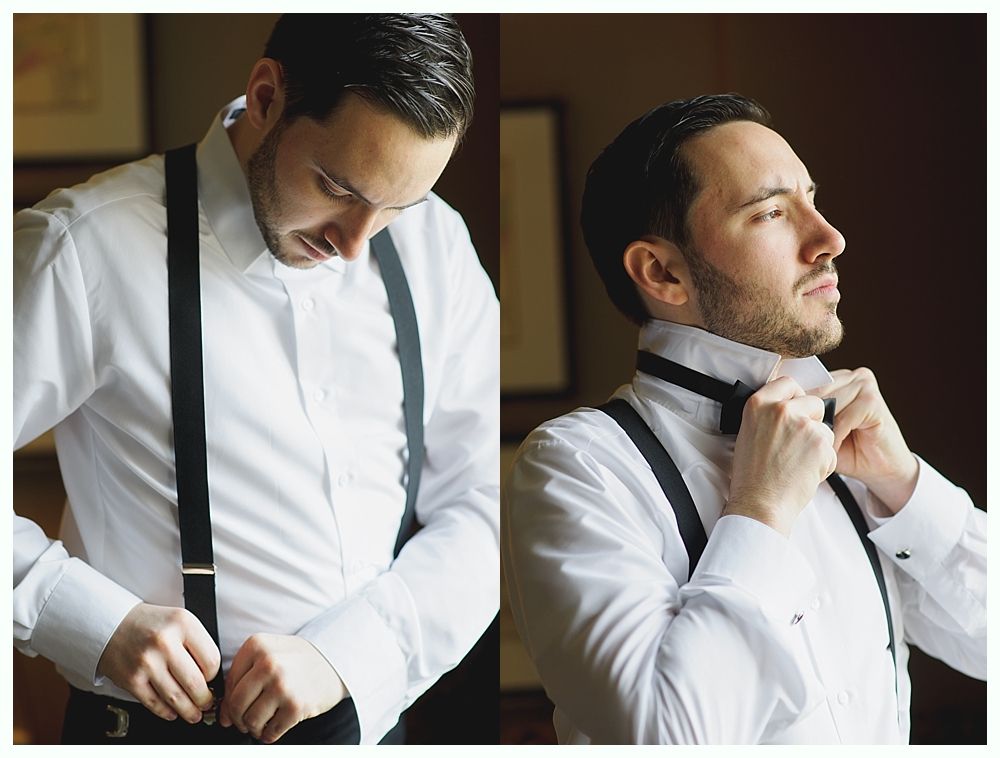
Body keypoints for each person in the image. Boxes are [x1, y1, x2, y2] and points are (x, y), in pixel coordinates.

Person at [14, 14, 499, 745]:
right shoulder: (83, 247)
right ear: (267, 95)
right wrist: (89, 619)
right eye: (337, 186)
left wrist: (350, 653)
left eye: (396, 207)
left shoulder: (439, 246)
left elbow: (482, 504)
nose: (354, 244)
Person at [501, 94, 985, 744]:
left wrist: (906, 487)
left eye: (812, 199)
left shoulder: (849, 439)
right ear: (662, 272)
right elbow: (667, 737)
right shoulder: (576, 468)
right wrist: (760, 510)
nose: (830, 239)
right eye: (772, 212)